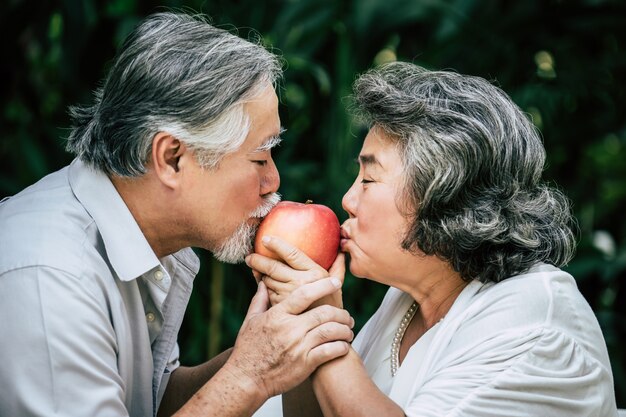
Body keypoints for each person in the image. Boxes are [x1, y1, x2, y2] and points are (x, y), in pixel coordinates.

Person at [0, 12, 355, 417]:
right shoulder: (50, 280)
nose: (273, 181)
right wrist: (249, 374)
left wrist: (281, 343)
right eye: (259, 158)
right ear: (171, 158)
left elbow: (151, 402)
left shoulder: (149, 237)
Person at [248, 62, 619, 416]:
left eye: (369, 179)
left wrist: (323, 326)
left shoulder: (531, 327)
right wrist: (301, 317)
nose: (347, 201)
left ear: (444, 196)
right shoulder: (410, 295)